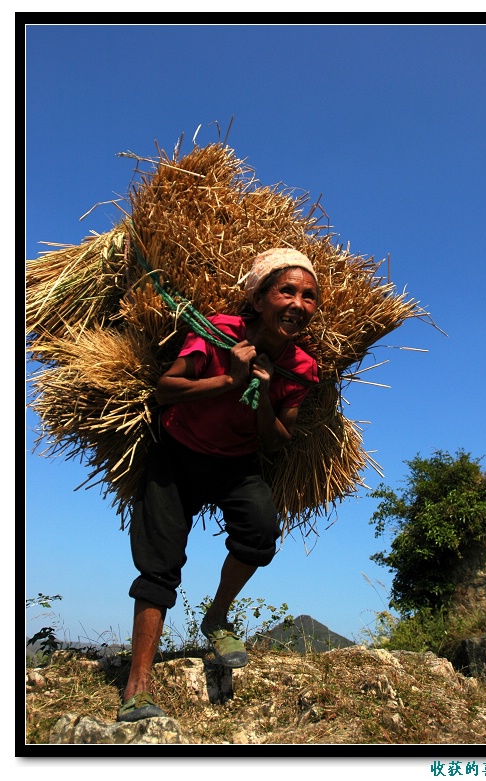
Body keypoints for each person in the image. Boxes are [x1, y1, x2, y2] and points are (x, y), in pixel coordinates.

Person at [117, 247, 320, 722]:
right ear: (260, 296)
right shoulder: (217, 331)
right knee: (159, 562)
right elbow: (165, 390)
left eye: (309, 296)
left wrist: (263, 396)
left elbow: (276, 442)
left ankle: (216, 618)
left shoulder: (301, 368)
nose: (298, 303)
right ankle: (138, 684)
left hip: (236, 463)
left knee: (260, 531)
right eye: (286, 290)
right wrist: (232, 379)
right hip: (177, 456)